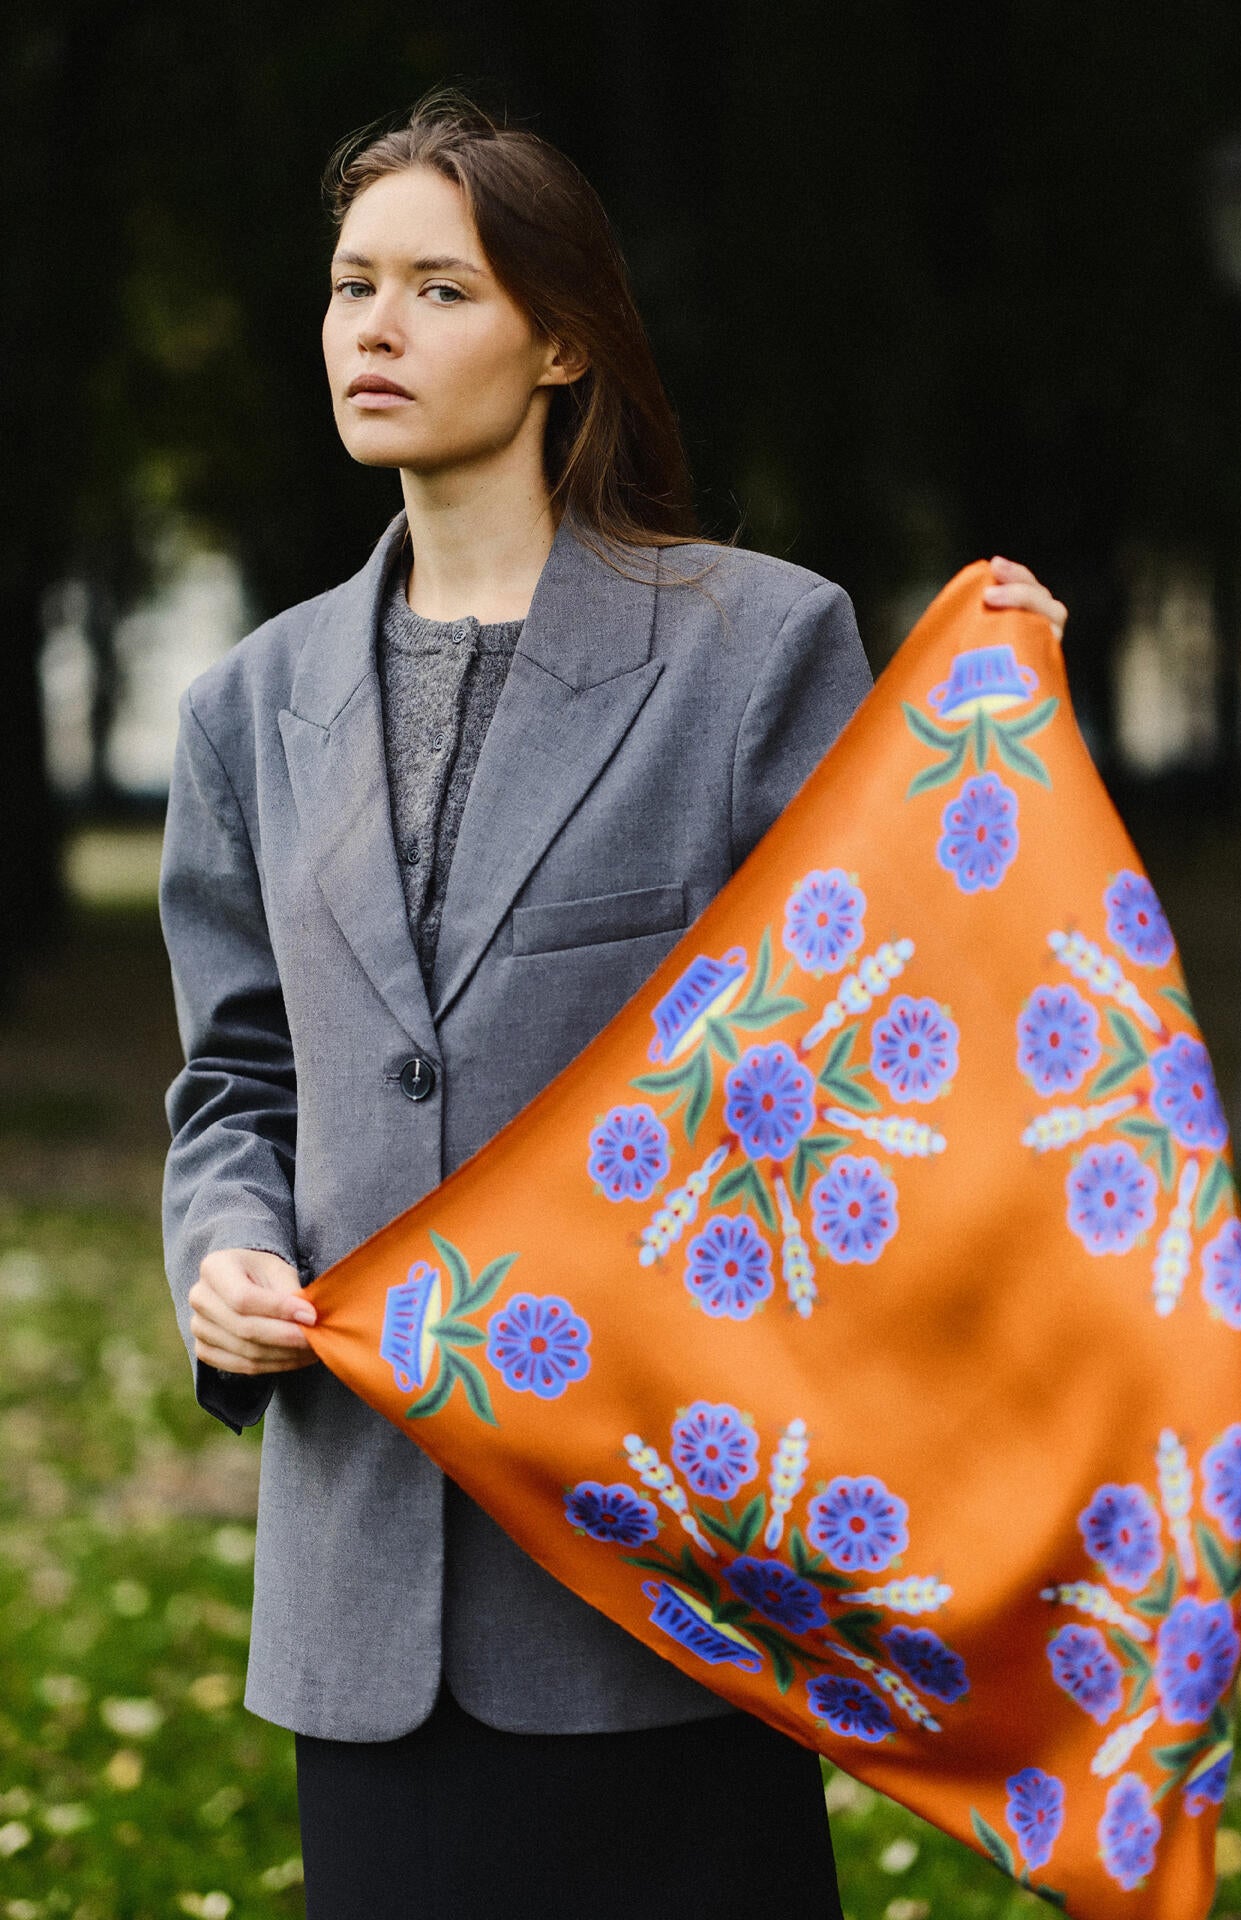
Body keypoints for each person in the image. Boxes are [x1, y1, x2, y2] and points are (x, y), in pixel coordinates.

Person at [158, 87, 1067, 1918]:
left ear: (561, 336)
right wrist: (228, 1246)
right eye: (351, 287)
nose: (377, 331)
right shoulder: (247, 705)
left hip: (660, 1570)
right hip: (363, 1603)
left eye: (440, 288)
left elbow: (871, 1041)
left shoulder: (756, 644)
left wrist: (995, 747)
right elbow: (237, 1075)